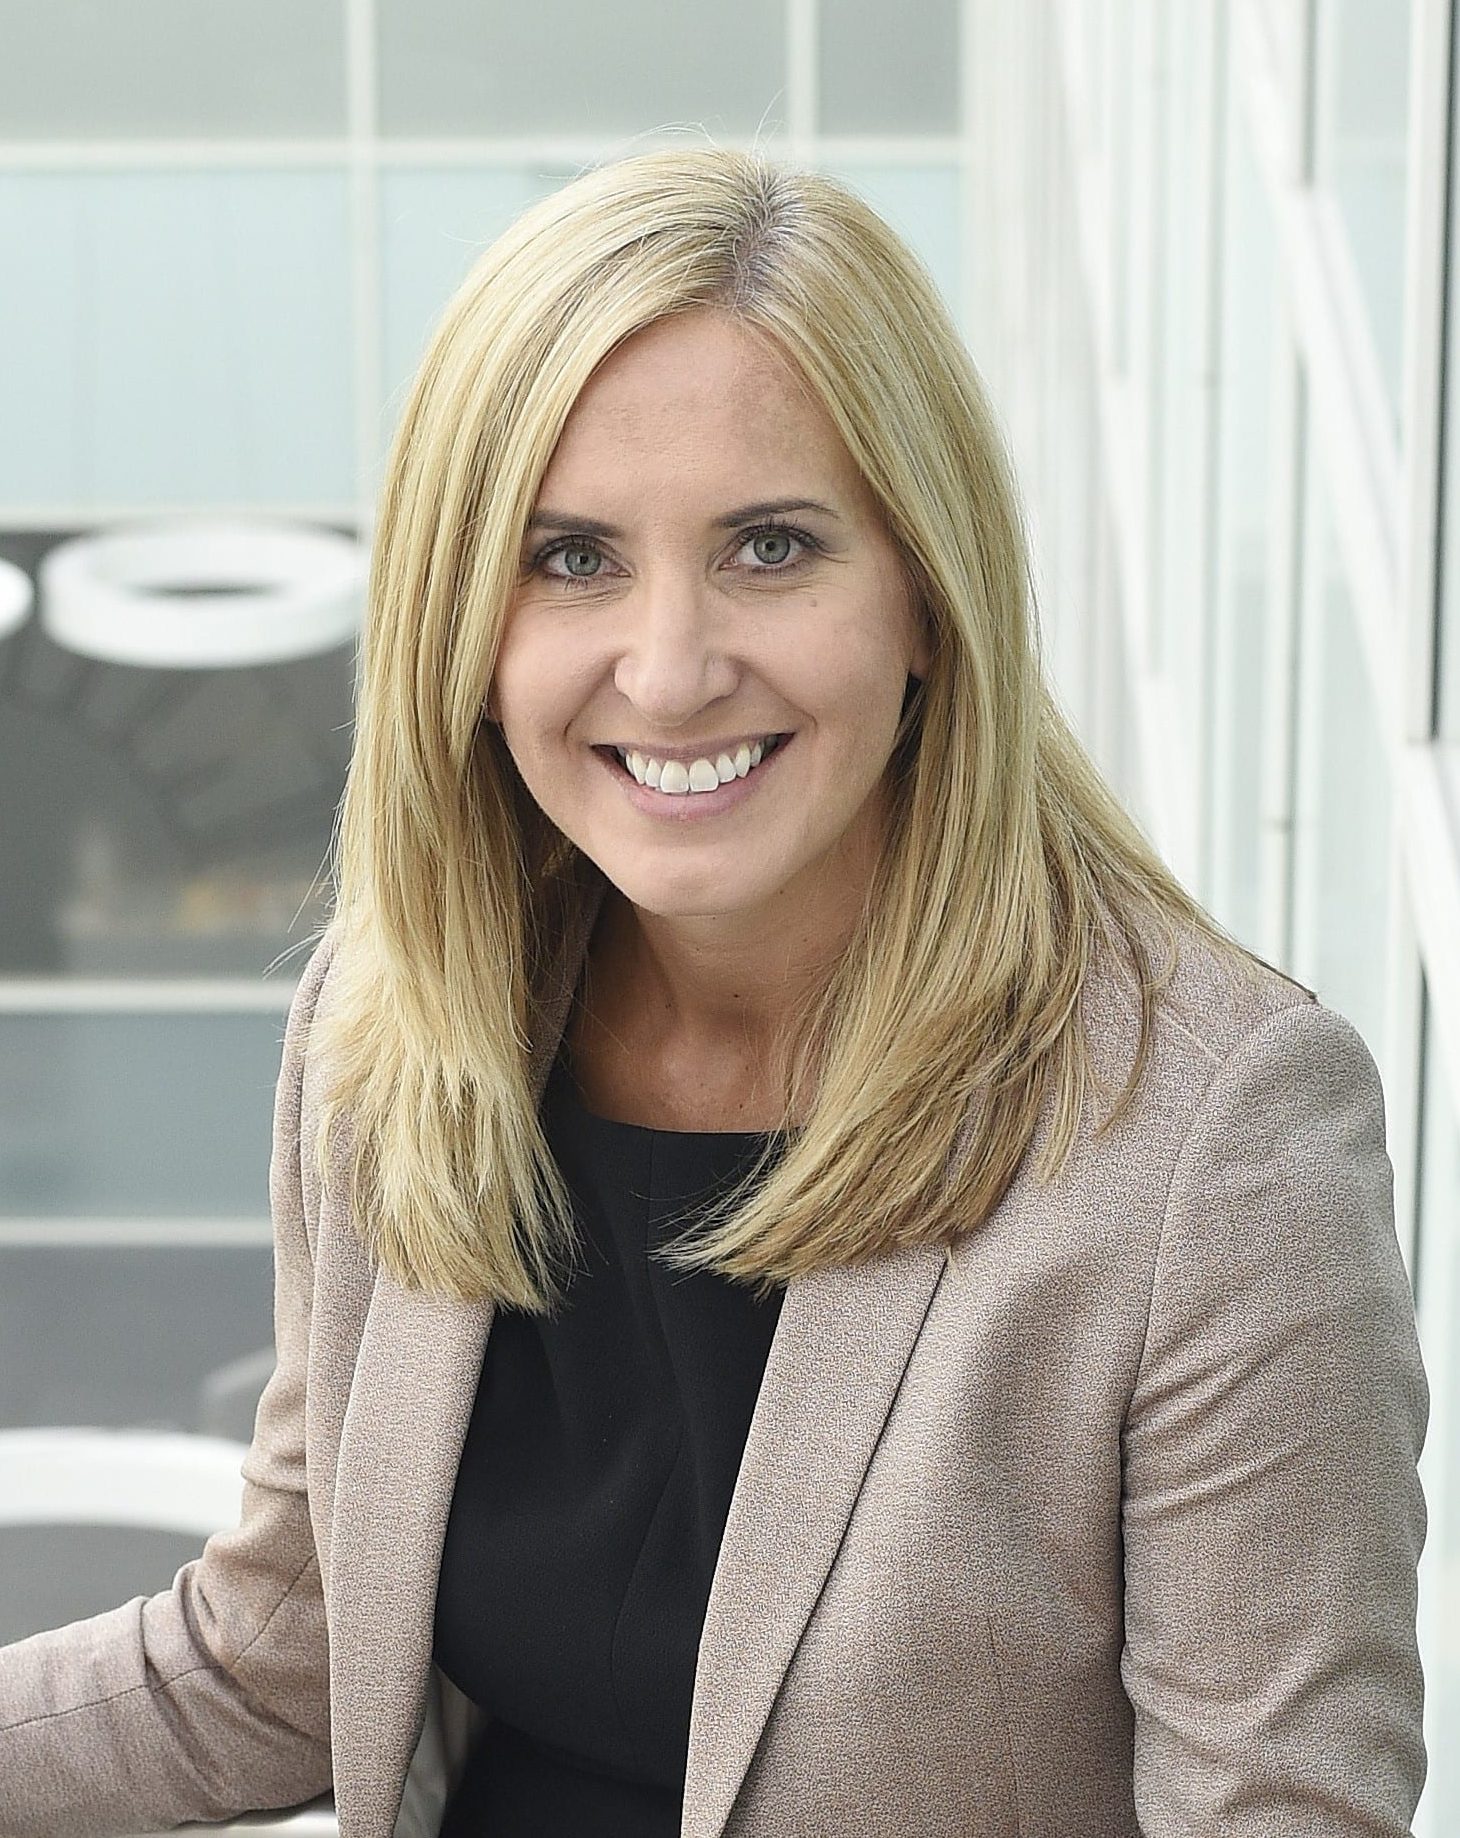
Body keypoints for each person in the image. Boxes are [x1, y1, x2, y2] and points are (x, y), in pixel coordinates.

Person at [0, 144, 1429, 1838]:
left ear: (925, 594)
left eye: (769, 546)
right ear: (466, 621)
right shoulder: (395, 1031)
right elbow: (282, 1655)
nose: (669, 670)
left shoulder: (1214, 1135)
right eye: (572, 558)